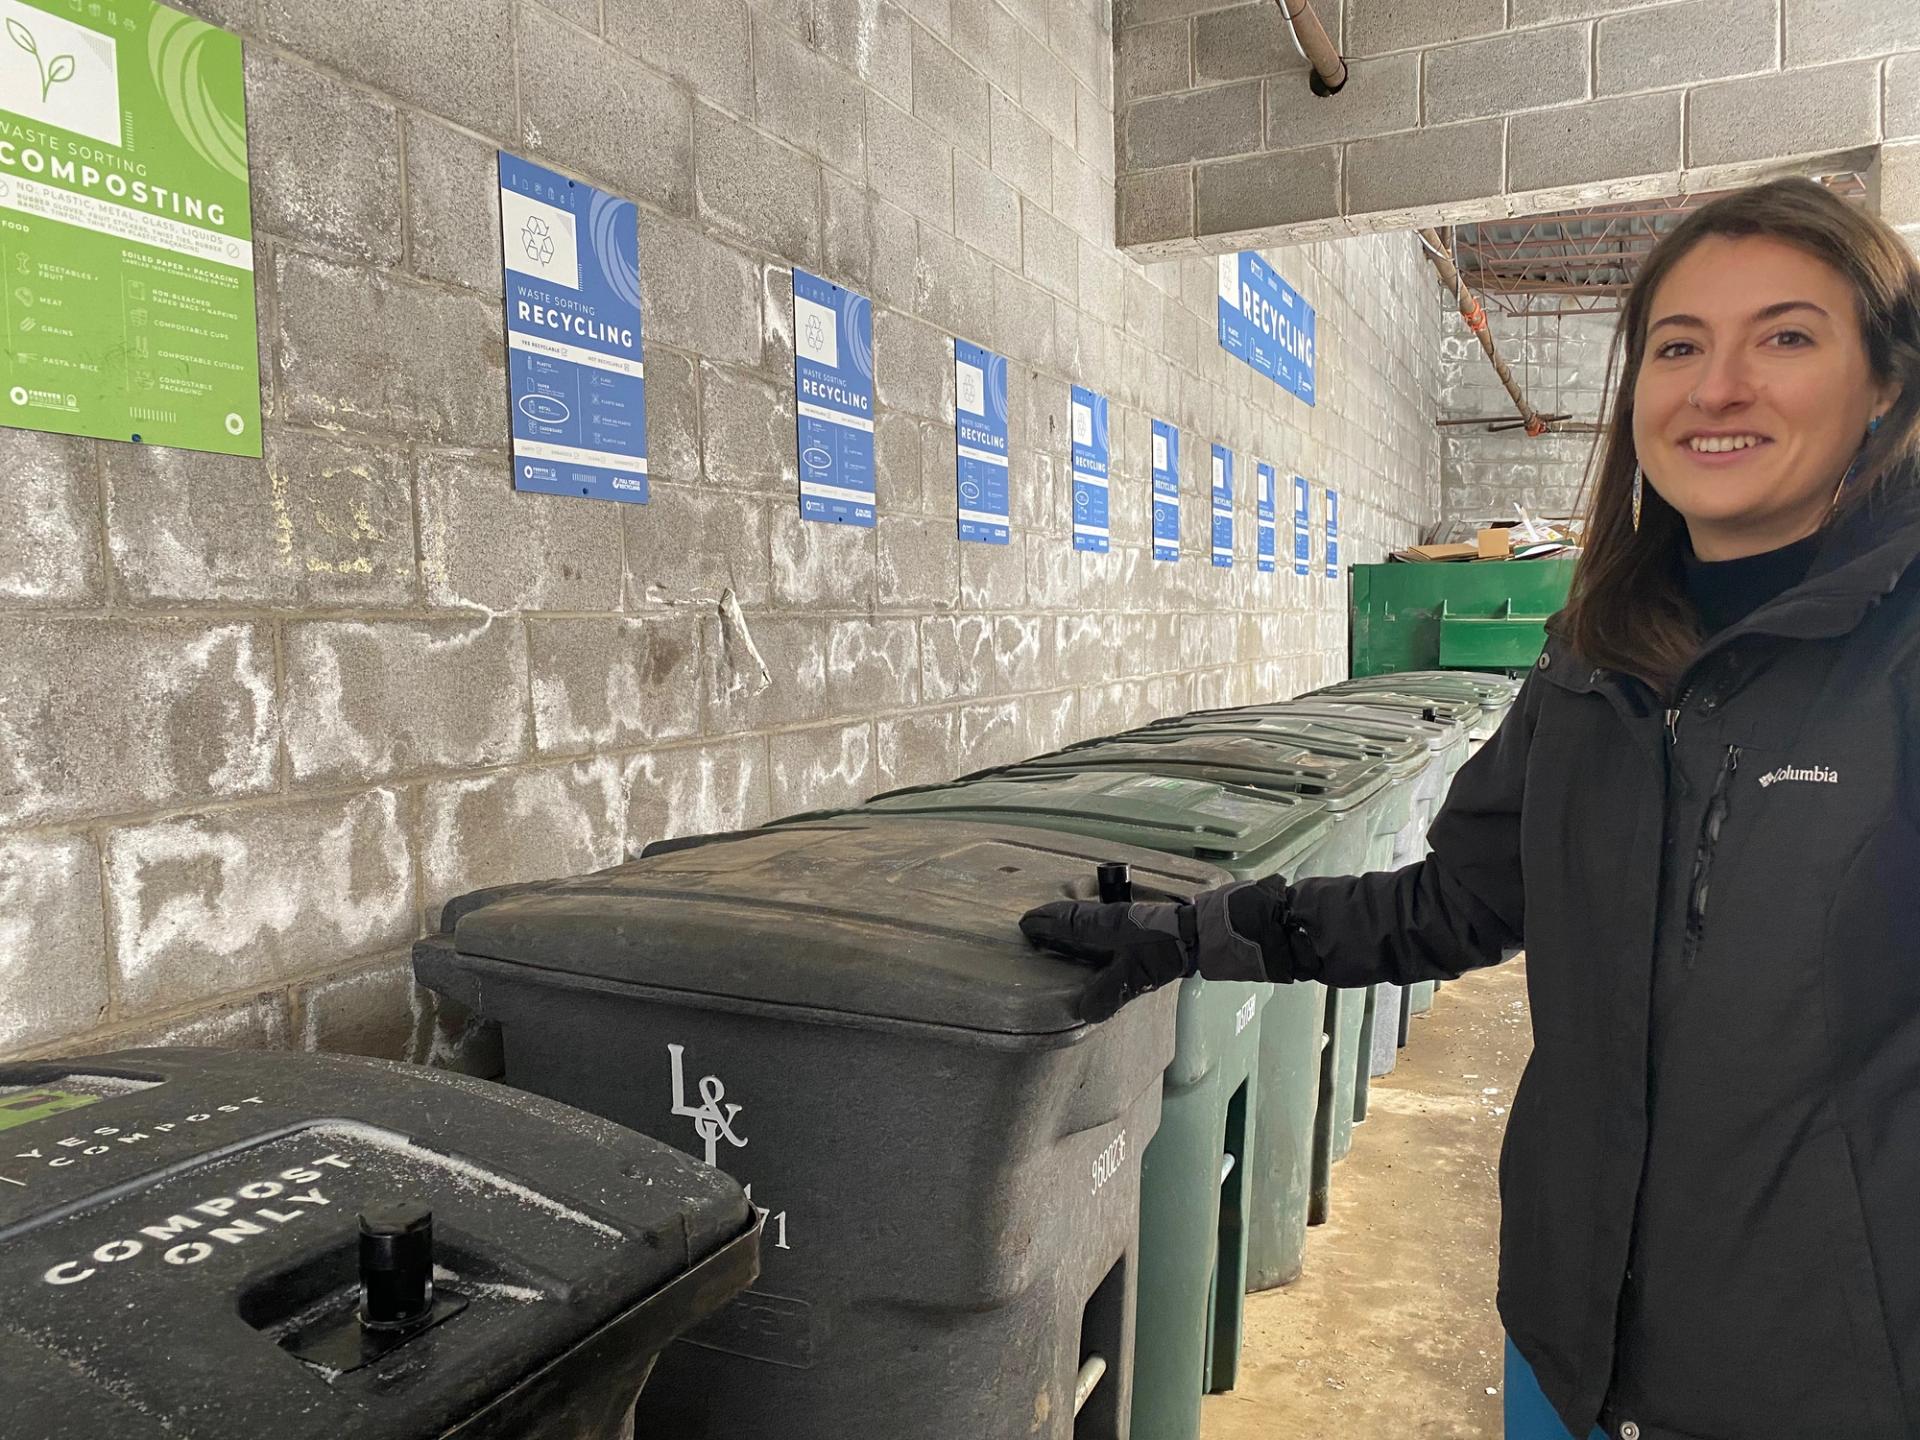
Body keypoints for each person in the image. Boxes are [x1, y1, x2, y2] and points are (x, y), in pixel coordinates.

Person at [1020, 176, 1920, 1440]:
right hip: (1568, 1346)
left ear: (1886, 383)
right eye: (1678, 346)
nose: (1720, 387)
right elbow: (1451, 904)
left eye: (1785, 336)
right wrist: (1190, 934)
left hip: (1827, 1385)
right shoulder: (1595, 659)